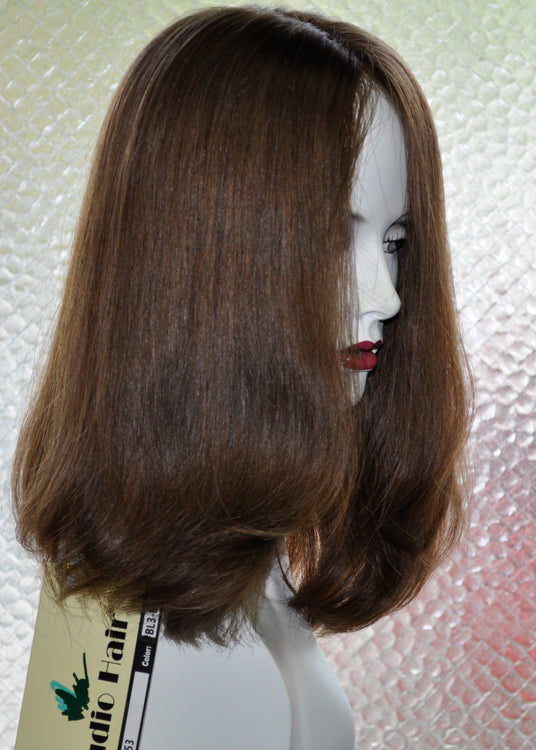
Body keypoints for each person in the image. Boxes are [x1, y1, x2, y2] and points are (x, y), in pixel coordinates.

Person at [12, 7, 471, 748]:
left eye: (395, 241)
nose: (387, 295)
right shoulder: (176, 658)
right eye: (334, 237)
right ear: (200, 257)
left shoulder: (245, 576)